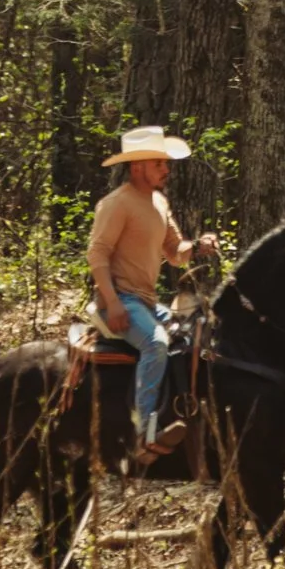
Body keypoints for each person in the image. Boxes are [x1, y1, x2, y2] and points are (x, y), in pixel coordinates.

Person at [88, 125, 218, 446]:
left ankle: (183, 415)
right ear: (137, 167)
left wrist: (199, 245)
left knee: (194, 331)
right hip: (118, 299)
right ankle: (143, 432)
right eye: (159, 164)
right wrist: (113, 302)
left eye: (165, 164)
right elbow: (97, 253)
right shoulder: (117, 203)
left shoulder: (158, 202)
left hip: (145, 302)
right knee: (156, 343)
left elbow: (175, 253)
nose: (166, 170)